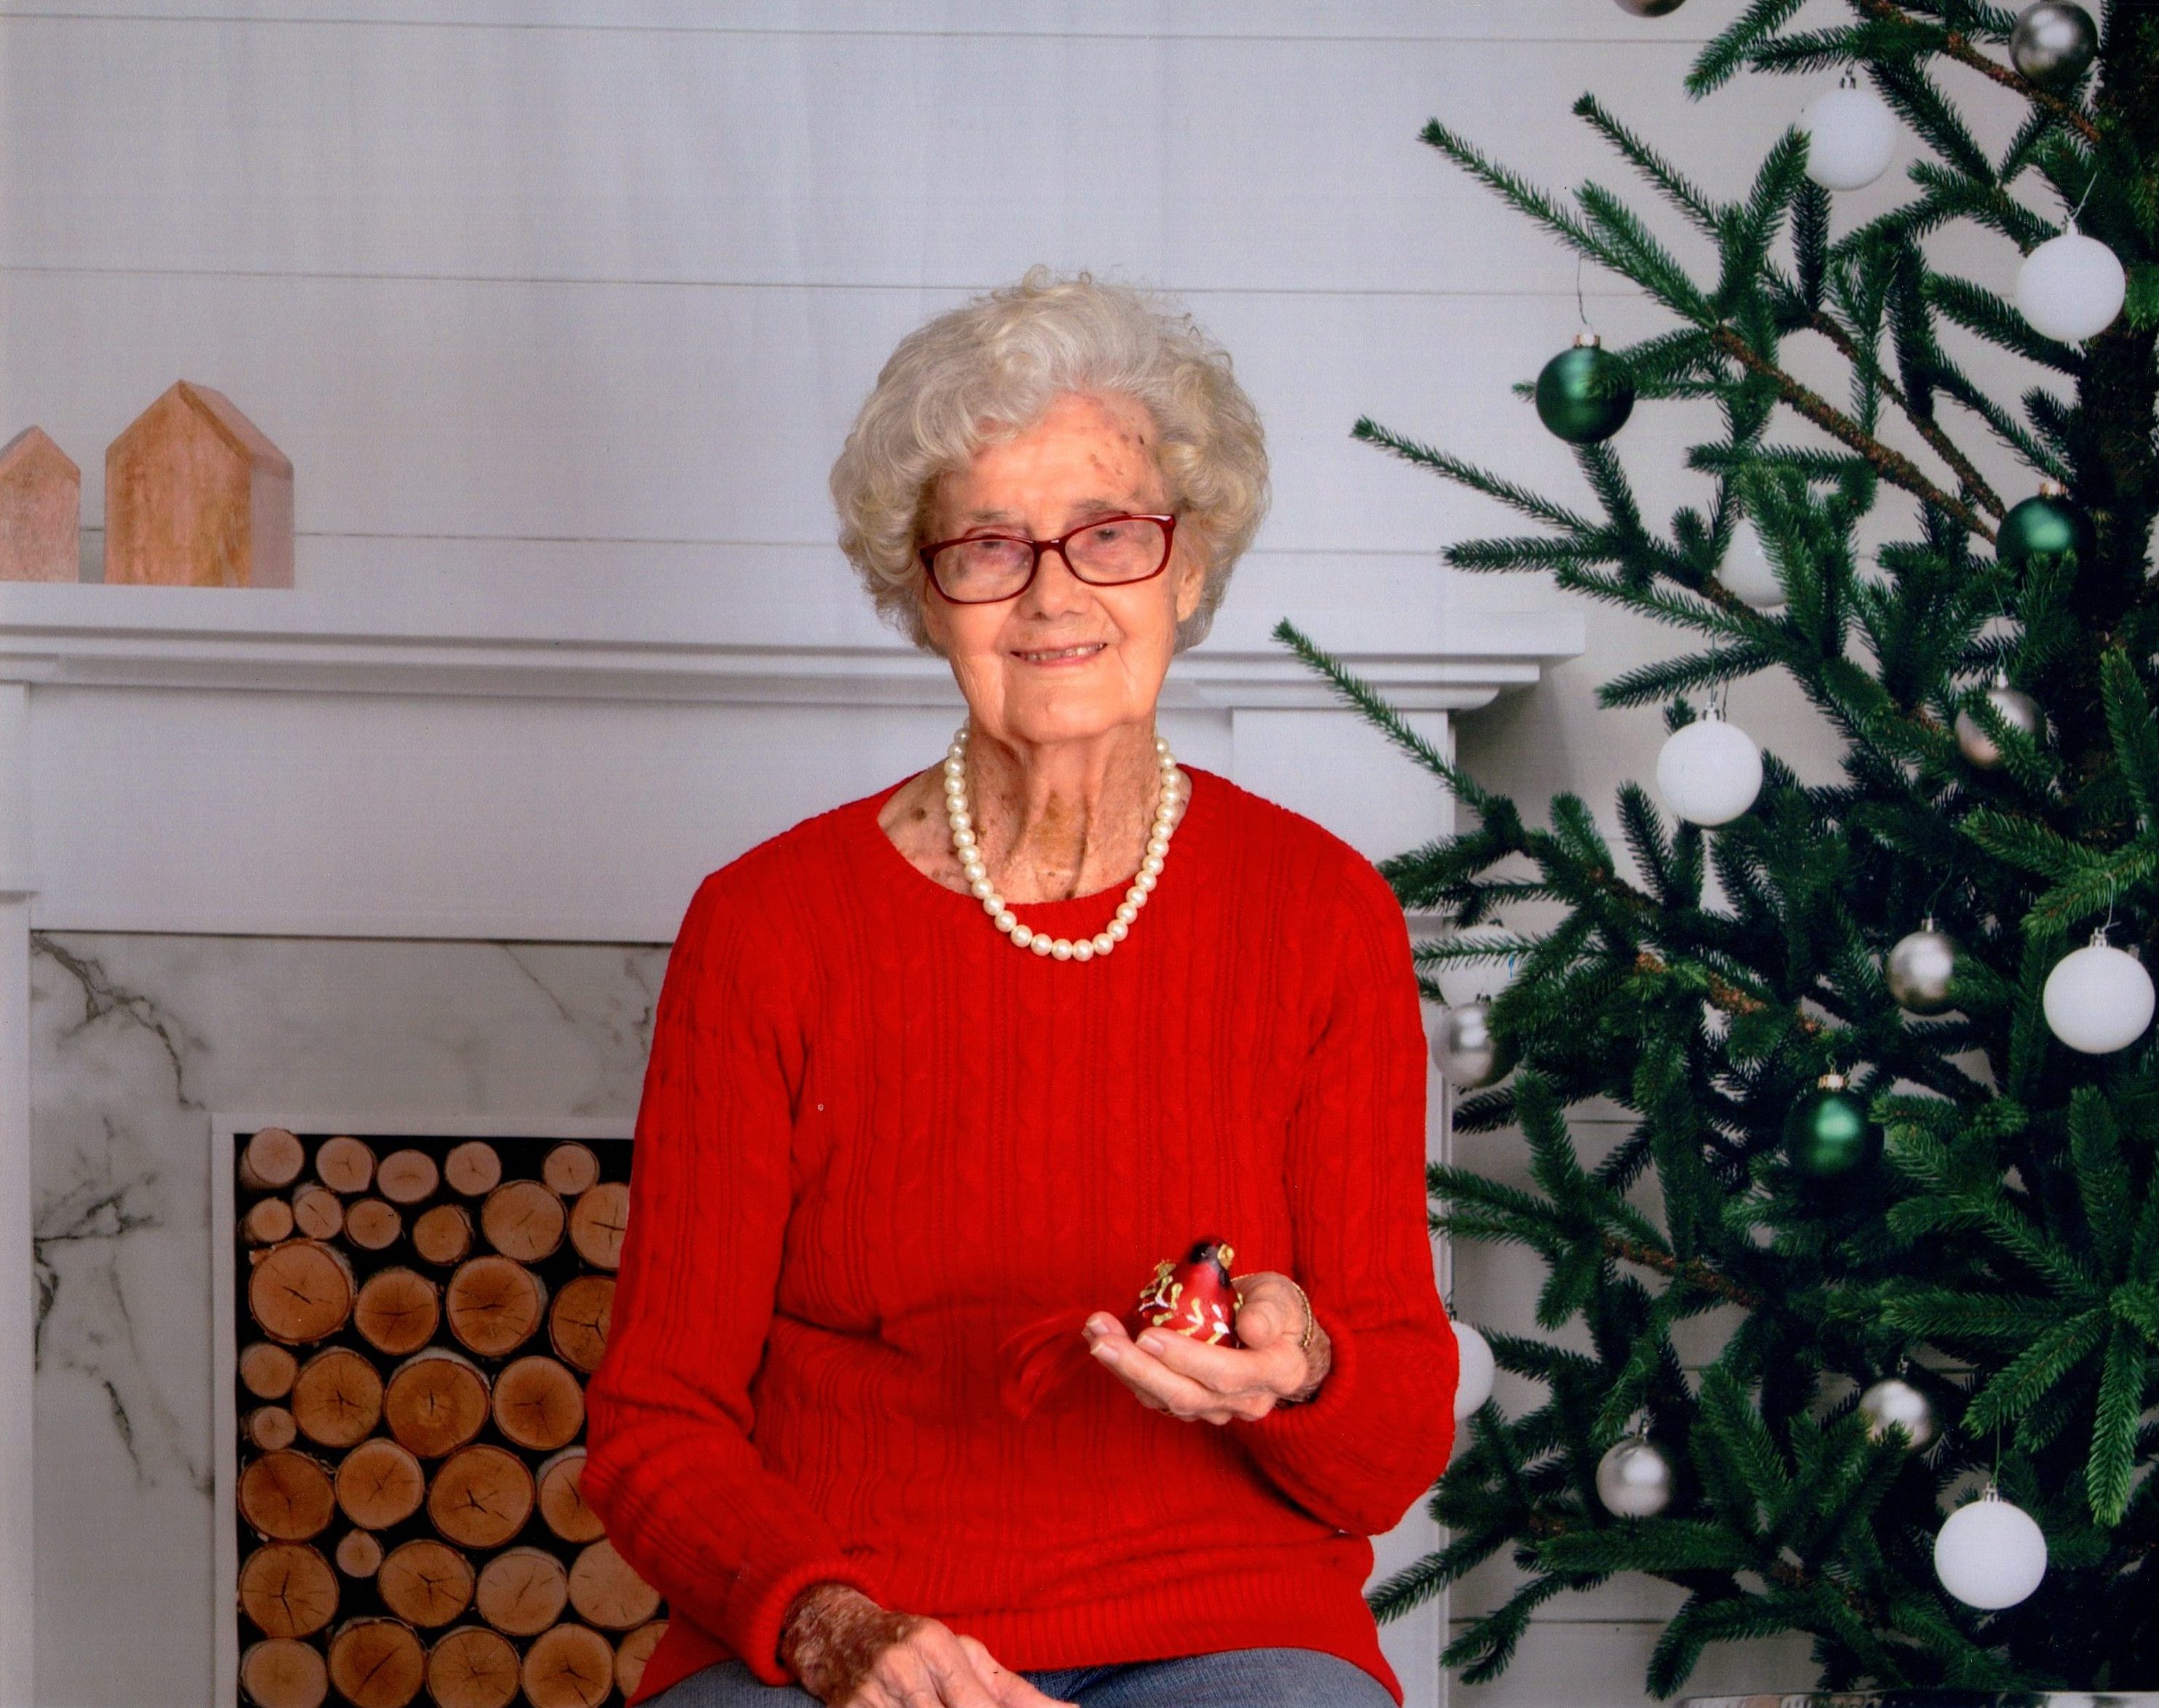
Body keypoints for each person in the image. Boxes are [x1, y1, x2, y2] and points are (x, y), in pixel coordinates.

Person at [583, 269, 1460, 1708]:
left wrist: (1301, 1365)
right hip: (854, 1616)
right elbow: (652, 1422)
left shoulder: (1319, 913)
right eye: (990, 546)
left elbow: (1388, 1455)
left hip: (1226, 1625)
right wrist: (833, 1627)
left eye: (1109, 534)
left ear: (1188, 567)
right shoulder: (767, 929)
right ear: (927, 596)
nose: (1055, 594)